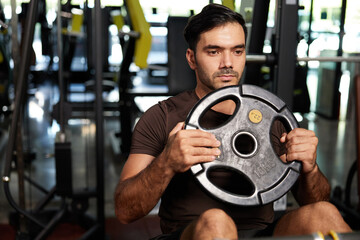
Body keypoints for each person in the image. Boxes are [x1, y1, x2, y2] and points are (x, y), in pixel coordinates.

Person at [114, 3, 351, 239]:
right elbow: (125, 211)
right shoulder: (162, 116)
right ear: (192, 58)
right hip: (194, 232)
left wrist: (310, 168)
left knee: (325, 213)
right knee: (216, 222)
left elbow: (314, 200)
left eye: (237, 51)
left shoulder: (270, 116)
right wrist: (166, 162)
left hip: (259, 233)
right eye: (214, 51)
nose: (228, 63)